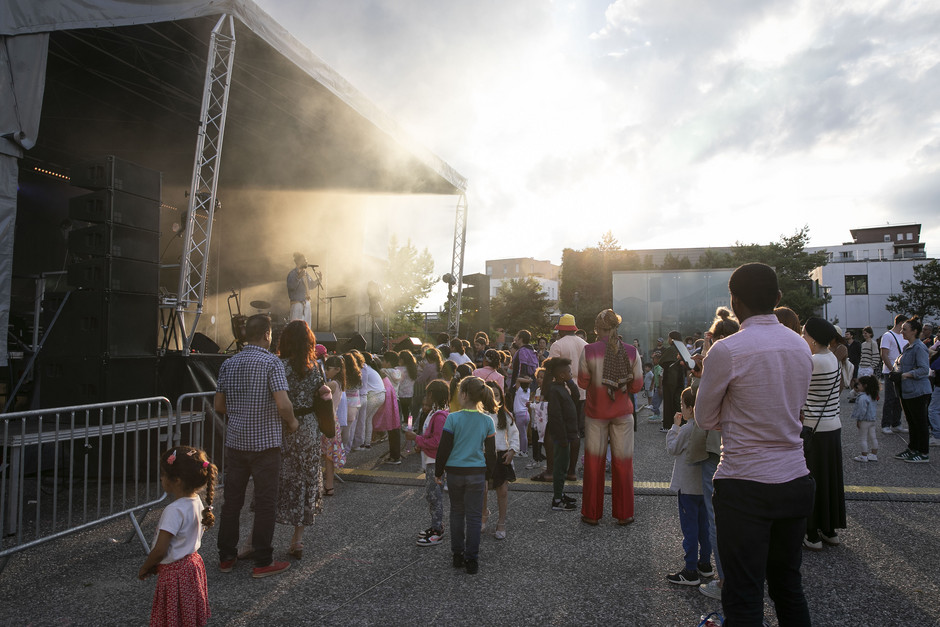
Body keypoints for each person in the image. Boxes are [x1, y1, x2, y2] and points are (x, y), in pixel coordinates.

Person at [695, 263, 814, 625]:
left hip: (743, 482)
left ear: (734, 302)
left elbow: (703, 417)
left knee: (744, 592)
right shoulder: (799, 345)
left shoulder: (727, 350)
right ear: (777, 298)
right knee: (788, 587)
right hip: (795, 478)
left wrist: (734, 419)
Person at [215, 313, 297, 578]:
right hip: (265, 445)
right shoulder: (272, 363)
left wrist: (241, 413)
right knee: (265, 503)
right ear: (267, 334)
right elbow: (283, 404)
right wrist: (293, 423)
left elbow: (219, 405)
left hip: (236, 442)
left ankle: (226, 556)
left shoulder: (229, 363)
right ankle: (263, 561)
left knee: (232, 502)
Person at [138, 446, 216, 627]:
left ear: (177, 480)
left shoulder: (173, 511)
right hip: (192, 566)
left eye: (164, 474)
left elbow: (160, 550)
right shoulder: (196, 500)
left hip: (175, 573)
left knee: (173, 616)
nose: (161, 478)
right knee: (187, 614)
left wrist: (146, 567)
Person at [578, 309, 642, 526]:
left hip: (596, 415)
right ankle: (625, 514)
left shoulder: (589, 350)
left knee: (594, 465)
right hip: (623, 414)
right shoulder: (632, 351)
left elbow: (583, 382)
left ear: (597, 329)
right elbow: (637, 385)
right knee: (623, 464)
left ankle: (591, 514)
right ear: (617, 327)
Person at [276, 320, 333, 560]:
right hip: (309, 426)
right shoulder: (315, 367)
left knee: (281, 477)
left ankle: (258, 538)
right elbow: (321, 392)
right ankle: (297, 540)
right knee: (307, 477)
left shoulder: (279, 366)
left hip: (284, 426)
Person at [434, 376, 497, 575]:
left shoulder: (452, 418)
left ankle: (457, 555)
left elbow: (444, 448)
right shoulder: (488, 420)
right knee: (474, 516)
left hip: (454, 473)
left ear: (463, 394)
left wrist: (438, 472)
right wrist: (490, 477)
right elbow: (491, 454)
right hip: (477, 473)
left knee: (456, 512)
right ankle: (472, 559)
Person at [800, 317, 846, 551]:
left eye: (805, 334)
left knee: (811, 480)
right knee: (830, 479)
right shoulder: (833, 359)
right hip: (833, 426)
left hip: (813, 429)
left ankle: (812, 533)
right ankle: (829, 530)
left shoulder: (812, 360)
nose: (803, 338)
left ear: (814, 339)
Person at [665, 387, 713, 587]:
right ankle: (705, 564)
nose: (681, 409)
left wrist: (674, 427)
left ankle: (690, 569)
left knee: (690, 528)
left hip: (687, 488)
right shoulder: (708, 427)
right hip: (703, 488)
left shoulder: (686, 429)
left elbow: (672, 449)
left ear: (691, 408)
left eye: (682, 406)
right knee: (705, 527)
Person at [408, 380, 451, 547]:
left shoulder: (439, 416)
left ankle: (437, 530)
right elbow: (431, 438)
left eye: (427, 393)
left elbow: (437, 441)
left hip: (435, 461)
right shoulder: (436, 413)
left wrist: (416, 439)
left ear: (432, 395)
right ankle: (435, 525)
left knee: (434, 496)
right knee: (432, 495)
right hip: (431, 460)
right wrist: (421, 444)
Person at [548, 313, 588, 480]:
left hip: (561, 391)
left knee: (552, 430)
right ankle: (572, 470)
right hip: (582, 391)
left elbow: (551, 370)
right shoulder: (586, 345)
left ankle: (552, 469)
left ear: (561, 331)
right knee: (575, 431)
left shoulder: (557, 345)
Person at [893, 316, 932, 463]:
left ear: (914, 331)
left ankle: (923, 452)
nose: (902, 331)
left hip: (918, 391)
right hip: (907, 391)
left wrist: (905, 375)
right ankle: (913, 448)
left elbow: (924, 369)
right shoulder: (908, 347)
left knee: (920, 422)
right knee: (912, 422)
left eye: (905, 329)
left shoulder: (919, 347)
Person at [484, 381, 519, 539]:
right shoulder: (480, 415)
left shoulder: (505, 415)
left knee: (502, 491)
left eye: (496, 395)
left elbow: (514, 434)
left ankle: (501, 521)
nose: (493, 398)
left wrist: (512, 450)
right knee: (482, 490)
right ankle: (483, 513)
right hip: (483, 456)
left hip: (502, 456)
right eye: (490, 395)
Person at [544, 357, 579, 512]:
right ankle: (557, 500)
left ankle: (560, 493)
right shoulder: (554, 390)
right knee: (560, 467)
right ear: (562, 375)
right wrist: (563, 438)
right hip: (561, 436)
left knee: (563, 466)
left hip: (568, 433)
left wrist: (570, 382)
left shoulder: (561, 386)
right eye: (569, 372)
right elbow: (556, 416)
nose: (571, 374)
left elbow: (576, 397)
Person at [323, 355, 349, 495]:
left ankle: (325, 485)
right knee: (329, 457)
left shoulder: (331, 384)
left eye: (328, 368)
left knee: (324, 455)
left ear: (337, 369)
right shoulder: (339, 384)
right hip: (334, 421)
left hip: (326, 421)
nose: (326, 371)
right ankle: (329, 486)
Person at [880, 314, 909, 435]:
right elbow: (884, 354)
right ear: (900, 323)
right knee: (890, 398)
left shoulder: (903, 336)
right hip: (891, 372)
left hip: (901, 372)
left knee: (899, 399)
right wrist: (892, 370)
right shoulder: (888, 336)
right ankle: (885, 424)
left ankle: (896, 423)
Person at [658, 330, 686, 432]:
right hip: (680, 378)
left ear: (672, 339)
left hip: (670, 379)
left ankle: (668, 425)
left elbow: (661, 362)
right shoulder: (682, 348)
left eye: (669, 338)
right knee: (678, 402)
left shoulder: (671, 349)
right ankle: (680, 423)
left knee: (669, 402)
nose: (668, 340)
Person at [851, 375, 881, 463]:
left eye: (859, 384)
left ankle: (863, 455)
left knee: (863, 438)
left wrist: (858, 420)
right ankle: (874, 454)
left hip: (864, 420)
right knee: (873, 437)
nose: (858, 386)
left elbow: (862, 410)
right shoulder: (873, 395)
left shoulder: (862, 398)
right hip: (872, 419)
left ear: (865, 386)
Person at [286, 252, 319, 327]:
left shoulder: (306, 273)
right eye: (305, 260)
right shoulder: (293, 274)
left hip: (306, 303)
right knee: (296, 328)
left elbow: (311, 285)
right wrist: (298, 278)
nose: (306, 262)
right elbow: (291, 287)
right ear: (299, 262)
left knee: (307, 327)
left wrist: (319, 279)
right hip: (297, 304)